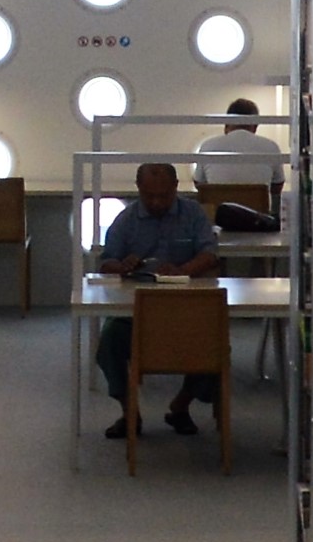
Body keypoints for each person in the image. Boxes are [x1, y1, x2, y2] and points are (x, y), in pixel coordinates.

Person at [92, 157, 228, 435]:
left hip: (187, 307)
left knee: (216, 344)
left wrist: (183, 270)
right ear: (138, 189)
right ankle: (129, 411)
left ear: (177, 187)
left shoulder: (193, 214)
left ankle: (181, 405)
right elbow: (106, 262)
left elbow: (210, 253)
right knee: (109, 343)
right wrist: (123, 266)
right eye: (149, 196)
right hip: (137, 310)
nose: (155, 202)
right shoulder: (126, 219)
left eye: (163, 196)